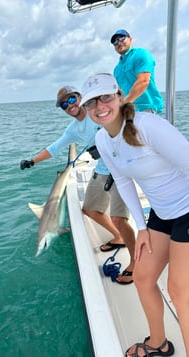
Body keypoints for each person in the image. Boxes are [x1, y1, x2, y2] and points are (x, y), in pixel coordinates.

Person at [80, 72, 189, 356]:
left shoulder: (148, 126)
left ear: (119, 97)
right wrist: (141, 227)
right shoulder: (103, 139)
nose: (99, 106)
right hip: (162, 214)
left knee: (179, 292)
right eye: (92, 102)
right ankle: (159, 343)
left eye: (105, 97)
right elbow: (124, 181)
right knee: (142, 277)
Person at [20, 85, 136, 284]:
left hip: (120, 168)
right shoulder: (73, 129)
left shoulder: (99, 113)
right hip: (101, 169)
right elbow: (54, 148)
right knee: (90, 209)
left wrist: (107, 145)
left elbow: (124, 124)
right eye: (64, 104)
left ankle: (136, 262)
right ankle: (118, 237)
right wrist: (32, 160)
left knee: (119, 218)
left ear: (80, 97)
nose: (70, 105)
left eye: (72, 99)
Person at [111, 29, 163, 113]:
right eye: (115, 42)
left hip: (147, 108)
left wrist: (125, 103)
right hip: (128, 111)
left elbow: (143, 81)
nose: (119, 43)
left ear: (130, 39)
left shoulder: (141, 54)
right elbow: (118, 92)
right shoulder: (117, 69)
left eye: (121, 38)